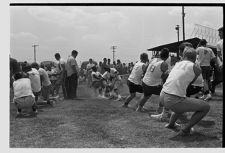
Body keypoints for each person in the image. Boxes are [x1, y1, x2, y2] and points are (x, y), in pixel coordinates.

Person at [160, 47, 210, 136]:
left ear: (183, 56)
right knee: (206, 107)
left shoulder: (176, 64)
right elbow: (191, 82)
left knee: (182, 104)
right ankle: (186, 130)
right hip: (172, 100)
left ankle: (171, 124)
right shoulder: (197, 69)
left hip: (162, 95)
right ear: (195, 58)